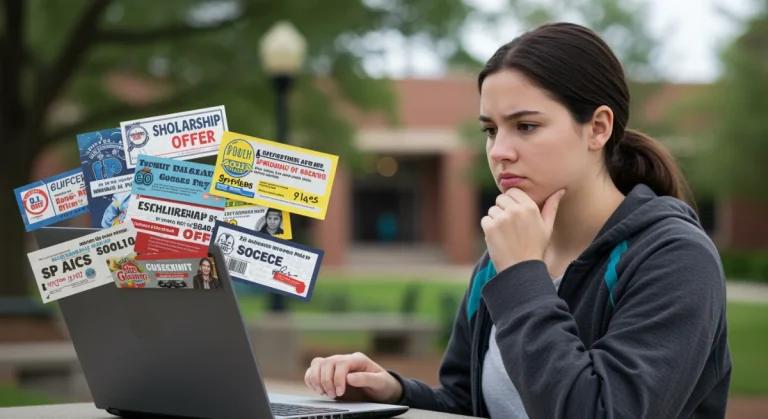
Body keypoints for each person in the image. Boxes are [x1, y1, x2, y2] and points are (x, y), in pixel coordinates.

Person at [303, 22, 731, 419]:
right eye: (490, 129)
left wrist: (525, 278)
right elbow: (468, 403)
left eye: (525, 126)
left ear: (598, 129)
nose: (499, 151)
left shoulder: (674, 257)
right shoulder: (501, 258)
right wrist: (394, 393)